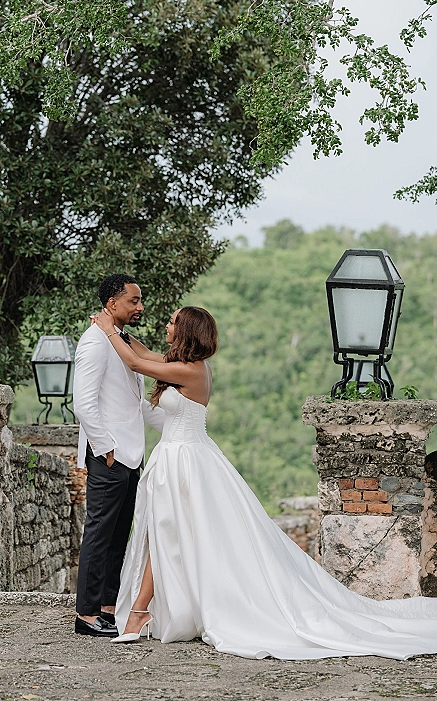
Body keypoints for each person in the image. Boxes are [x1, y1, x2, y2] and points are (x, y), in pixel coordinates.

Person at [93, 305, 437, 660]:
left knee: (164, 531)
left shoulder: (191, 371)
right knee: (162, 531)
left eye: (172, 323)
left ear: (187, 333)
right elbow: (146, 355)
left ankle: (139, 614)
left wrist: (107, 330)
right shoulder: (182, 365)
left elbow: (137, 364)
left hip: (187, 461)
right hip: (178, 458)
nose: (166, 326)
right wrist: (118, 331)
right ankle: (140, 612)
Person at [73, 273, 164, 637]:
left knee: (118, 534)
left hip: (131, 453)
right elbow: (83, 403)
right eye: (133, 301)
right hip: (110, 454)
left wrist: (174, 419)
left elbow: (132, 401)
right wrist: (105, 447)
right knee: (99, 533)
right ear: (112, 303)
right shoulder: (95, 342)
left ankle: (108, 607)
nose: (140, 307)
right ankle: (87, 614)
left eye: (140, 301)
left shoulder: (120, 340)